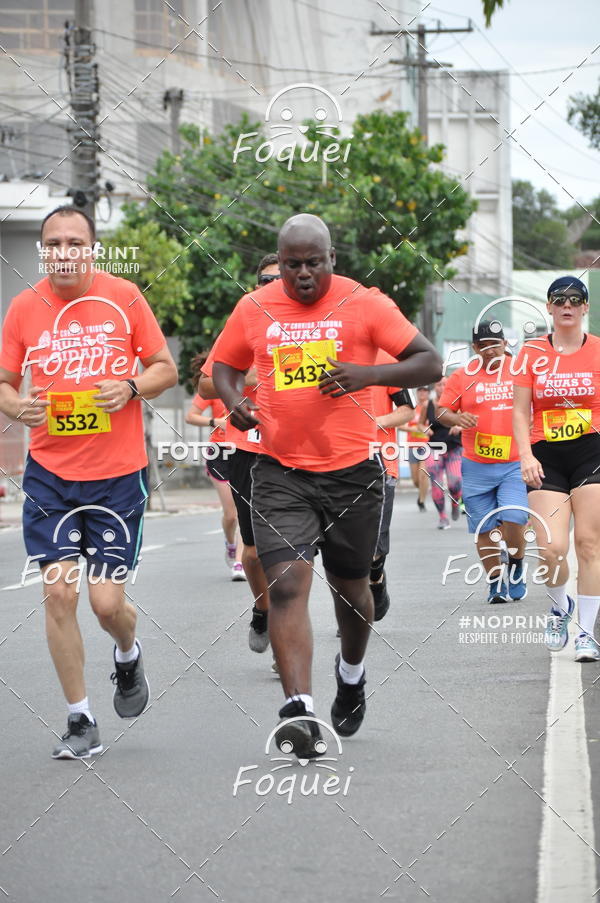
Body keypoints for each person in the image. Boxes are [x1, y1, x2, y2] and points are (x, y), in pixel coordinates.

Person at [212, 213, 442, 758]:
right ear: (280, 263)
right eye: (291, 264)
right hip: (279, 470)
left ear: (332, 259)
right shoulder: (255, 308)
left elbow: (428, 361)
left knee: (351, 590)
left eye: (313, 262)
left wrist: (368, 375)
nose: (302, 274)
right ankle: (299, 711)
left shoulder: (366, 303)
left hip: (353, 474)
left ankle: (352, 671)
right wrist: (235, 400)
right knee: (287, 584)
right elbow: (224, 366)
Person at [0, 205, 178, 758]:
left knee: (105, 605)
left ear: (92, 249)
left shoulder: (124, 297)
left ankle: (127, 653)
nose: (63, 251)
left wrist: (129, 386)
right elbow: (3, 383)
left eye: (75, 242)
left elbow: (164, 368)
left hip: (117, 479)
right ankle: (80, 718)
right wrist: (16, 406)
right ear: (43, 251)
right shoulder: (24, 309)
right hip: (49, 478)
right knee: (58, 594)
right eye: (53, 243)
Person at [513, 276, 600, 662]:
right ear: (548, 307)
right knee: (552, 548)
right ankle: (559, 608)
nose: (567, 305)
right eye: (559, 299)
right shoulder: (531, 354)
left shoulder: (598, 350)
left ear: (584, 308)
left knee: (588, 544)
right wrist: (525, 456)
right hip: (545, 454)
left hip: (592, 451)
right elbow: (519, 410)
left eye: (575, 299)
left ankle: (585, 632)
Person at [198, 254, 280, 654]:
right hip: (247, 450)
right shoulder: (245, 319)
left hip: (297, 452)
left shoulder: (313, 324)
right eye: (266, 279)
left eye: (281, 278)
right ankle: (262, 608)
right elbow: (205, 386)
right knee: (253, 553)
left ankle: (286, 630)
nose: (274, 285)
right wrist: (246, 377)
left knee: (292, 552)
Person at [437, 322, 528, 603]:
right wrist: (456, 418)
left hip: (514, 462)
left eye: (495, 344)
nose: (490, 350)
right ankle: (495, 582)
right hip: (476, 465)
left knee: (515, 519)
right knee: (484, 529)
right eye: (483, 345)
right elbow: (442, 411)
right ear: (475, 348)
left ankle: (515, 564)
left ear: (505, 345)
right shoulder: (463, 377)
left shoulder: (521, 372)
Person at [185, 352, 245, 581]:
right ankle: (230, 544)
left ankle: (239, 563)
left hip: (244, 450)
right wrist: (215, 421)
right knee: (230, 514)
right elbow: (191, 416)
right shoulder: (214, 389)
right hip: (218, 452)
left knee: (242, 511)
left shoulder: (245, 382)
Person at [369, 352, 415, 620]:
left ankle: (376, 580)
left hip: (381, 464)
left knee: (373, 545)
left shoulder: (386, 361)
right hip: (336, 466)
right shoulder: (326, 354)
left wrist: (376, 422)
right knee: (342, 548)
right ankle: (351, 612)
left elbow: (407, 410)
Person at [419, 378, 463, 529]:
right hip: (434, 447)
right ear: (434, 387)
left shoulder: (458, 402)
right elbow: (420, 423)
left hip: (454, 447)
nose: (442, 387)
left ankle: (455, 501)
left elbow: (467, 418)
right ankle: (442, 517)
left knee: (455, 482)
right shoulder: (428, 405)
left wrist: (459, 425)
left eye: (445, 384)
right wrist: (426, 429)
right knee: (436, 484)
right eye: (439, 385)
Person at [398, 385, 430, 511]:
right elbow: (400, 425)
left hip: (426, 445)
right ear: (417, 393)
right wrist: (412, 429)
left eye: (425, 391)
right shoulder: (412, 408)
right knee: (416, 480)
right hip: (412, 446)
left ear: (428, 393)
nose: (422, 393)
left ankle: (421, 501)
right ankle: (421, 493)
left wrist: (426, 430)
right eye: (420, 391)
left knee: (423, 474)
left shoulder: (430, 409)